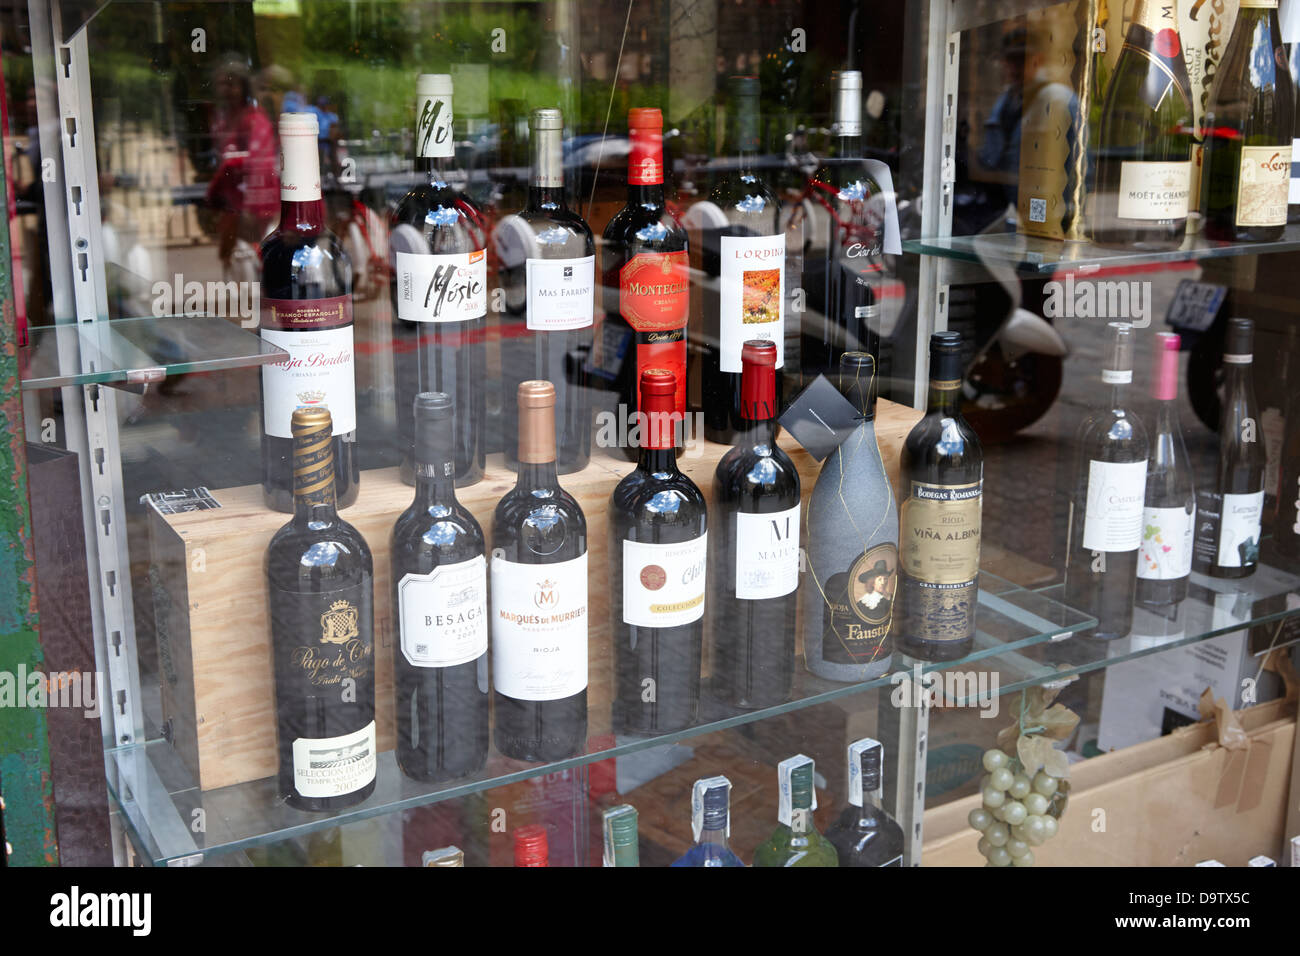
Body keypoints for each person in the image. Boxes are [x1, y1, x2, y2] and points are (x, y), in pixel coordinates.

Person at [205, 56, 278, 280]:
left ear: (243, 86)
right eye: (222, 84)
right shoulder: (221, 117)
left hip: (254, 196)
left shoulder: (254, 118)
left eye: (232, 84)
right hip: (231, 196)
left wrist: (232, 164)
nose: (227, 90)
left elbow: (261, 159)